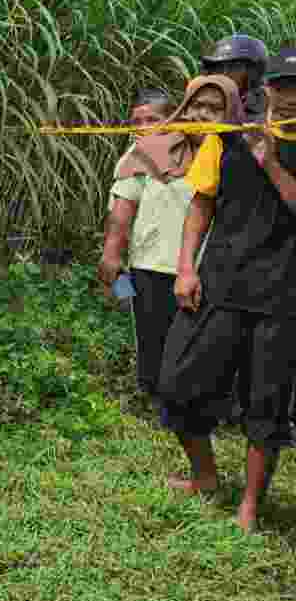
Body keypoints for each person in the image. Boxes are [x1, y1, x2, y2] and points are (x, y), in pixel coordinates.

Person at [158, 71, 296, 532]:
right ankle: (205, 477)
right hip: (219, 284)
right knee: (178, 382)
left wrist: (271, 161)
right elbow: (201, 204)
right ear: (268, 90)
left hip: (281, 295)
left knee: (266, 405)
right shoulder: (226, 139)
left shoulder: (271, 144)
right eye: (283, 86)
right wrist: (185, 266)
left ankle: (249, 507)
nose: (290, 95)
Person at [97, 89, 195, 399]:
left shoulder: (195, 152)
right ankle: (153, 397)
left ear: (172, 119)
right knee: (152, 336)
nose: (143, 126)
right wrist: (111, 256)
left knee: (193, 337)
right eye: (137, 120)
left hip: (193, 266)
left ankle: (190, 398)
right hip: (149, 266)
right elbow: (120, 215)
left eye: (153, 119)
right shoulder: (134, 158)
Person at [200, 34, 269, 124]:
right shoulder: (198, 102)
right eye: (218, 68)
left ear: (254, 74)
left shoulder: (268, 113)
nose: (224, 74)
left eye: (234, 67)